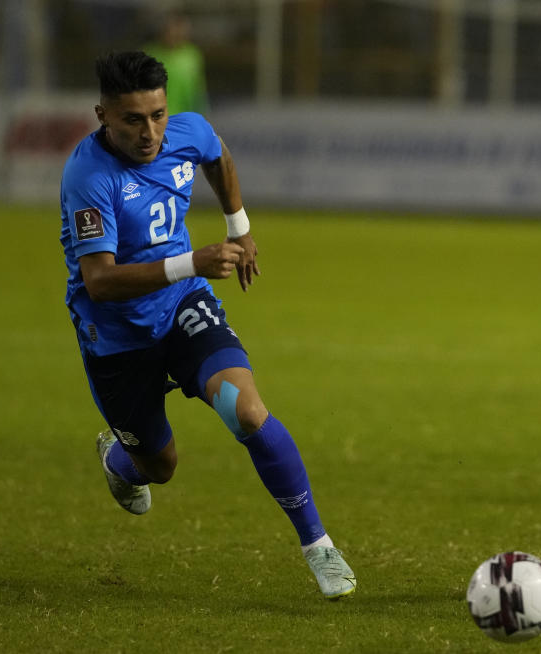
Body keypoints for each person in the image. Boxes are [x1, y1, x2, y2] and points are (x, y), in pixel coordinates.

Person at [59, 51, 355, 600]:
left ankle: (320, 547)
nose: (149, 132)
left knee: (246, 411)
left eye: (157, 115)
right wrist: (192, 261)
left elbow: (215, 153)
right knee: (161, 464)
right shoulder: (87, 176)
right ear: (102, 114)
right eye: (132, 120)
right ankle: (122, 458)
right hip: (117, 340)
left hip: (184, 308)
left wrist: (239, 227)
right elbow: (99, 281)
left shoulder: (186, 131)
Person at [144, 12, 209, 115]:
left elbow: (197, 89)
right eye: (171, 30)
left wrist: (202, 116)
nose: (175, 34)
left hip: (183, 117)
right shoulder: (149, 54)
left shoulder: (192, 55)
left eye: (180, 30)